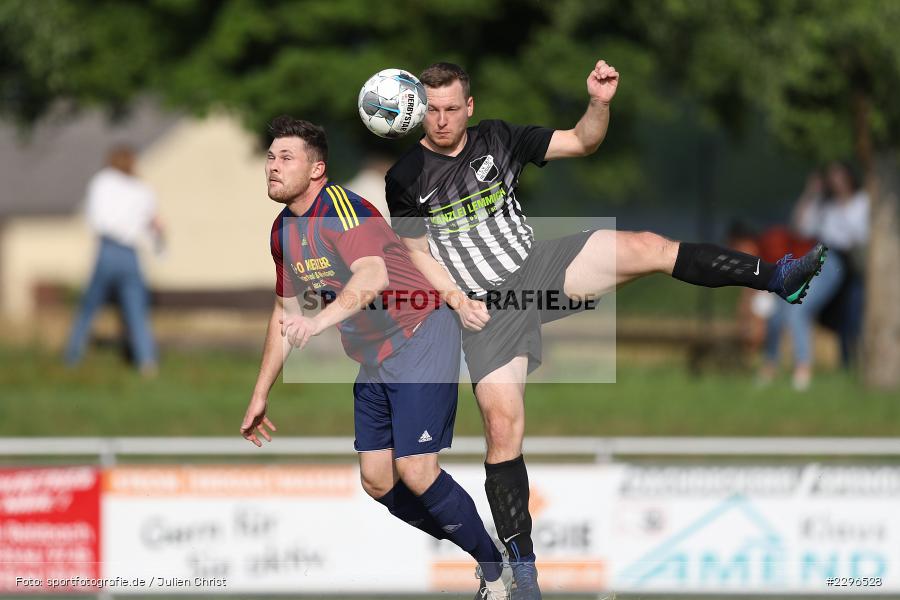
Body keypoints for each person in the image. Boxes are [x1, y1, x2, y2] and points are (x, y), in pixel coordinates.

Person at [385, 61, 827, 599]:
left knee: (647, 246)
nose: (442, 119)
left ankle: (779, 278)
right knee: (504, 428)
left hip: (539, 268)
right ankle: (522, 577)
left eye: (452, 108)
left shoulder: (498, 137)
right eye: (432, 110)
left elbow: (582, 142)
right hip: (487, 308)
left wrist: (599, 102)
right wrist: (456, 300)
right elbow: (415, 251)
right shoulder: (405, 177)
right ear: (417, 112)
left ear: (469, 107)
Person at [239, 116, 511, 599]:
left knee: (416, 470)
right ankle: (486, 551)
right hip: (374, 356)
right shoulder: (283, 231)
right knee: (378, 480)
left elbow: (373, 277)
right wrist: (261, 392)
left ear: (317, 168)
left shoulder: (344, 210)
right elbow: (284, 312)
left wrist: (318, 322)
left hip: (421, 332)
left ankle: (497, 574)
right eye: (270, 157)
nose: (272, 167)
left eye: (286, 158)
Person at [759, 164, 869, 389]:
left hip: (839, 261)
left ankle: (803, 369)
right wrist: (811, 193)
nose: (836, 181)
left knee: (799, 309)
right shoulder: (823, 205)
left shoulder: (860, 202)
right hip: (817, 254)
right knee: (780, 304)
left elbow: (858, 235)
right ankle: (770, 364)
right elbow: (800, 227)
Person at [64, 144, 161, 376]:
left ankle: (72, 357)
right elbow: (152, 224)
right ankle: (147, 362)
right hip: (130, 253)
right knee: (136, 311)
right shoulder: (142, 189)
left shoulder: (102, 182)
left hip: (108, 249)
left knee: (89, 307)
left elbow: (96, 219)